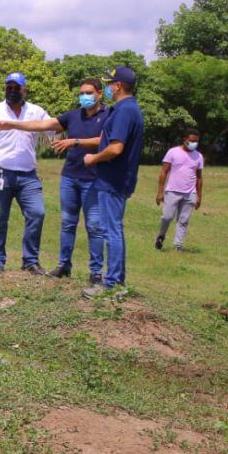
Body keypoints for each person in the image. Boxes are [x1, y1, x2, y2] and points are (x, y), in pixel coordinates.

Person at [0, 78, 109, 284]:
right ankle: (64, 265)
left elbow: (106, 140)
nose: (85, 97)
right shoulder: (73, 116)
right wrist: (12, 124)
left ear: (99, 93)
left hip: (95, 179)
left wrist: (75, 141)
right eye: (82, 93)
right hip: (70, 177)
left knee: (94, 226)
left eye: (89, 93)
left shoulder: (110, 115)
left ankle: (96, 272)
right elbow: (43, 124)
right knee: (67, 224)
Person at [0, 72, 53, 276]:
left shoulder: (36, 111)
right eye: (9, 87)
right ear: (5, 89)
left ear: (25, 89)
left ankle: (30, 261)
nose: (12, 91)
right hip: (0, 174)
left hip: (28, 176)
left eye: (17, 87)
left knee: (37, 213)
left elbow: (52, 128)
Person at [82, 66, 144, 298]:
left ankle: (112, 283)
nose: (108, 88)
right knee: (114, 229)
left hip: (113, 179)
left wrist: (93, 158)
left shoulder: (124, 111)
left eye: (109, 84)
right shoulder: (130, 109)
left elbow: (116, 147)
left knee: (111, 231)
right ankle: (117, 280)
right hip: (118, 179)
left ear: (118, 86)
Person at [155, 129, 204, 251]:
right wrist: (160, 192)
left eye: (196, 141)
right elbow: (163, 172)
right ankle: (161, 235)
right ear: (185, 140)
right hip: (172, 191)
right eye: (192, 141)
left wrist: (199, 196)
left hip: (190, 193)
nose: (194, 143)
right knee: (167, 217)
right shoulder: (173, 152)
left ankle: (178, 244)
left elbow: (199, 177)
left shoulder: (198, 156)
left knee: (184, 220)